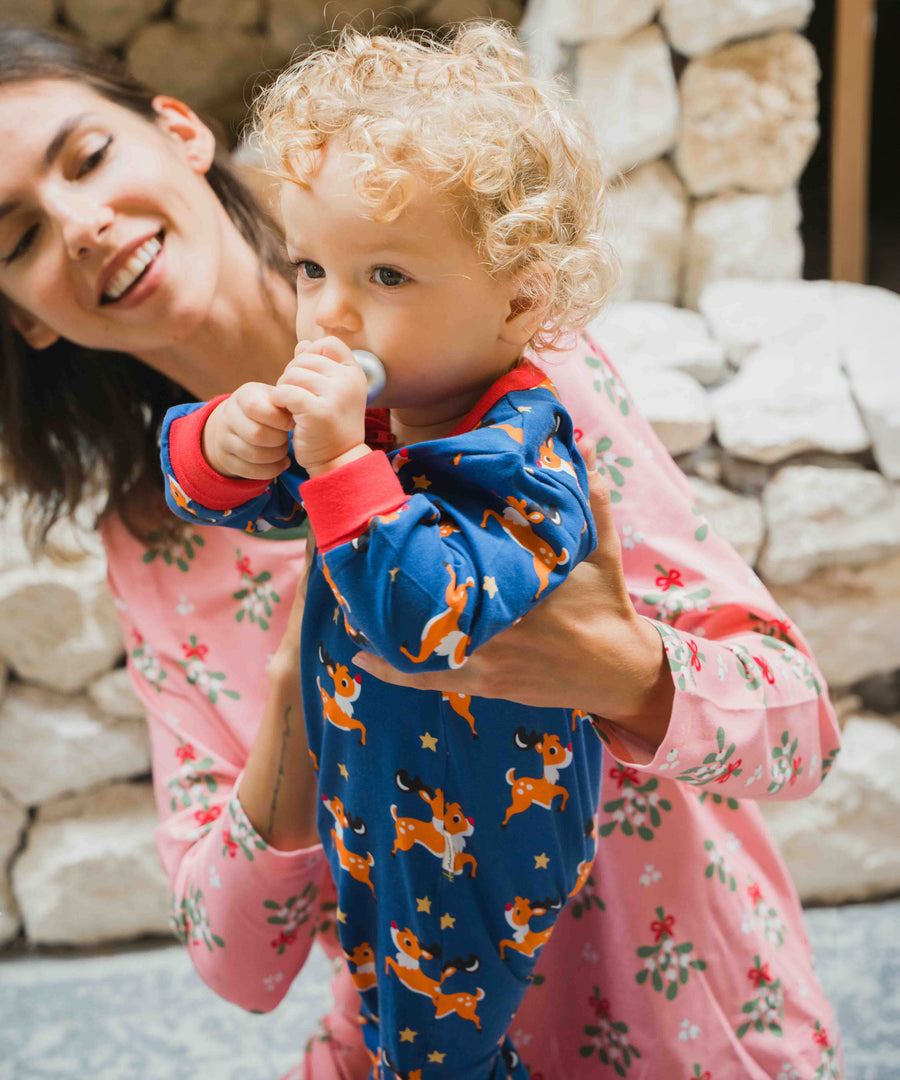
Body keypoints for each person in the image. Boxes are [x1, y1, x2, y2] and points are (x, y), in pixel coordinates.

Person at [0, 23, 844, 1080]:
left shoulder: (521, 392)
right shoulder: (157, 538)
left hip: (683, 1035)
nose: (79, 226)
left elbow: (801, 729)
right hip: (413, 1041)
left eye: (86, 158)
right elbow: (235, 966)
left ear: (182, 136)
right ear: (23, 319)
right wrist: (292, 715)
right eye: (16, 237)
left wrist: (625, 676)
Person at [161, 25, 617, 1077]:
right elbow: (228, 500)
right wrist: (226, 442)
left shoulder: (527, 458)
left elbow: (428, 615)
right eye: (312, 265)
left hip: (488, 836)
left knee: (436, 1048)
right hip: (379, 805)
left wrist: (328, 460)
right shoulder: (381, 421)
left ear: (520, 300)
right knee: (385, 1013)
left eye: (388, 275)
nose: (328, 309)